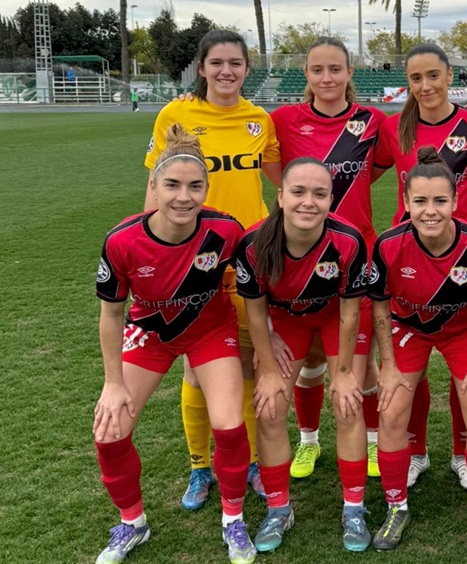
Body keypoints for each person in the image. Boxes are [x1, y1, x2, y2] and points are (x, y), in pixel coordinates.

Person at [94, 124, 256, 564]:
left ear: (207, 187)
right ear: (153, 186)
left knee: (228, 425)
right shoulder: (122, 240)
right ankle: (132, 523)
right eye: (172, 185)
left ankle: (233, 520)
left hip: (210, 331)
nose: (183, 196)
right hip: (151, 336)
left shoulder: (225, 231)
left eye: (194, 186)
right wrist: (113, 383)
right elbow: (110, 315)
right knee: (110, 432)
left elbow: (255, 286)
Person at [144, 29, 282, 512]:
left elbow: (279, 179)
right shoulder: (175, 114)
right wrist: (154, 250)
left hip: (248, 254)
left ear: (247, 69)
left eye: (236, 63)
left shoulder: (259, 119)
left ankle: (242, 464)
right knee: (198, 367)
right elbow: (156, 186)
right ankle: (199, 466)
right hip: (193, 256)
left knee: (246, 359)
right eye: (217, 62)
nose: (227, 71)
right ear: (201, 68)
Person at [373, 42, 467, 491]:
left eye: (433, 75)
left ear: (450, 75)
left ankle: (465, 453)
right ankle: (416, 451)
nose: (425, 86)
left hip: (461, 257)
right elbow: (367, 172)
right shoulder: (393, 129)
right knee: (413, 368)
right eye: (415, 78)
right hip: (408, 256)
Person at [235, 158, 372, 552]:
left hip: (335, 317)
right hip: (287, 320)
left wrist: (344, 372)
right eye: (298, 192)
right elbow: (256, 312)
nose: (307, 202)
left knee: (347, 404)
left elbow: (349, 313)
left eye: (319, 193)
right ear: (280, 197)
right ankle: (279, 508)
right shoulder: (253, 243)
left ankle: (353, 508)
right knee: (270, 405)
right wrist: (269, 371)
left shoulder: (348, 241)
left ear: (331, 199)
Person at [368, 148, 467, 551]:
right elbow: (379, 302)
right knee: (391, 410)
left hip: (462, 331)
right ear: (405, 201)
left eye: (440, 201)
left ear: (456, 202)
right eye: (420, 201)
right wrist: (386, 366)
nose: (430, 211)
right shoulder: (389, 245)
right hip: (409, 329)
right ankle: (396, 506)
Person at [270, 36, 386, 483]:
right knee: (312, 357)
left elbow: (377, 168)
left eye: (336, 69)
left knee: (362, 358)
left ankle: (372, 442)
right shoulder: (282, 120)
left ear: (350, 72)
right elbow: (274, 173)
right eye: (318, 70)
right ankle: (309, 440)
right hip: (296, 256)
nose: (327, 78)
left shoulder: (372, 121)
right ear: (306, 75)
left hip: (357, 254)